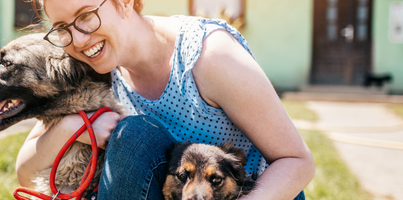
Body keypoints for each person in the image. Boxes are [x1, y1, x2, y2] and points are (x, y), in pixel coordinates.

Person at [16, 0, 315, 199]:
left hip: (256, 194)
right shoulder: (96, 67)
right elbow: (25, 172)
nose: (78, 40)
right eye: (61, 28)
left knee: (135, 134)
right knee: (135, 134)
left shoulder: (208, 56)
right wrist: (71, 128)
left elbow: (297, 162)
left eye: (85, 17)